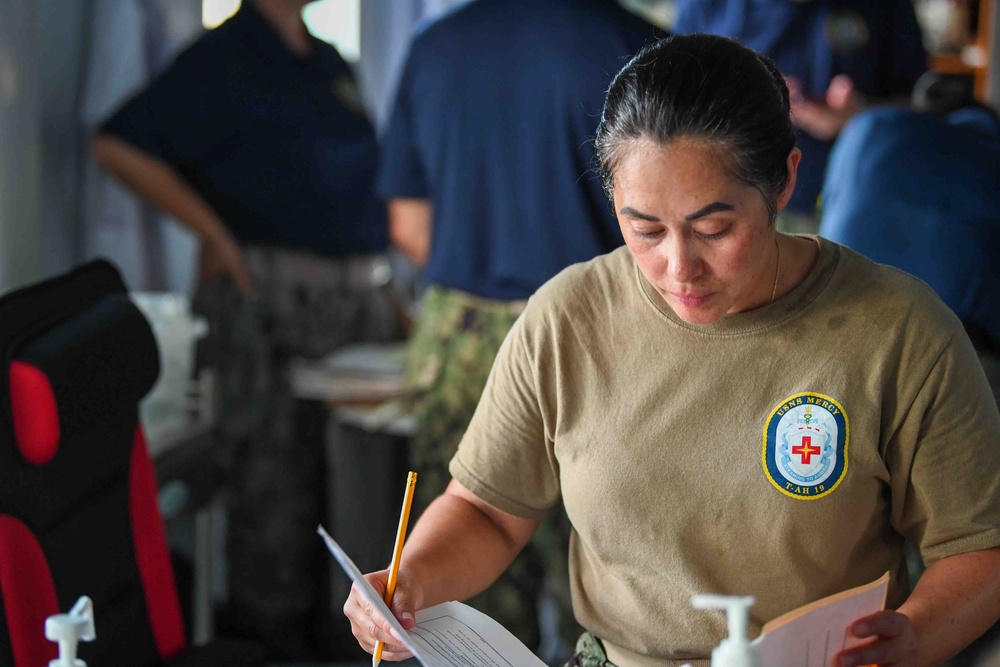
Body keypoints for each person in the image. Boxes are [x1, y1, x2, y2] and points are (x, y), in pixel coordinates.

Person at [344, 34, 1000, 667]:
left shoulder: (899, 330)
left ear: (784, 182)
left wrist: (910, 638)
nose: (679, 266)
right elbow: (486, 509)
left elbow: (980, 547)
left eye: (714, 228)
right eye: (645, 227)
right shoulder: (569, 317)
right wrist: (411, 582)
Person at [93, 0, 400, 659]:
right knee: (272, 496)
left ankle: (346, 636)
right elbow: (118, 145)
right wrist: (215, 236)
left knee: (357, 492)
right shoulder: (225, 57)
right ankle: (274, 644)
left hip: (350, 303)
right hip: (268, 305)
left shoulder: (326, 63)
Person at [378, 0, 660, 656]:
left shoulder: (433, 46)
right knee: (601, 582)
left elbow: (407, 224)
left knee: (458, 597)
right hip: (600, 334)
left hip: (462, 335)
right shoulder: (630, 41)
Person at [672, 0, 927, 232]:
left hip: (855, 207)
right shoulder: (706, 6)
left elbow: (924, 109)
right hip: (727, 202)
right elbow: (672, 105)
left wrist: (862, 117)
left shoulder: (887, 8)